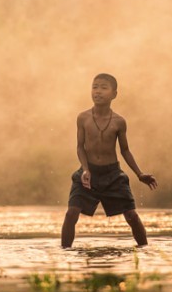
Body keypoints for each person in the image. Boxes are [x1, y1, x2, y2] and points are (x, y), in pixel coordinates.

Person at [61, 73, 158, 248]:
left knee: (132, 216)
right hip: (88, 173)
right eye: (95, 87)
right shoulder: (83, 118)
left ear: (114, 94)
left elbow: (125, 151)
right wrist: (85, 169)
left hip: (112, 174)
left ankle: (145, 251)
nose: (97, 91)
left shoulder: (119, 122)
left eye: (103, 88)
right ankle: (64, 252)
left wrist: (139, 174)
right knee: (71, 213)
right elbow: (80, 147)